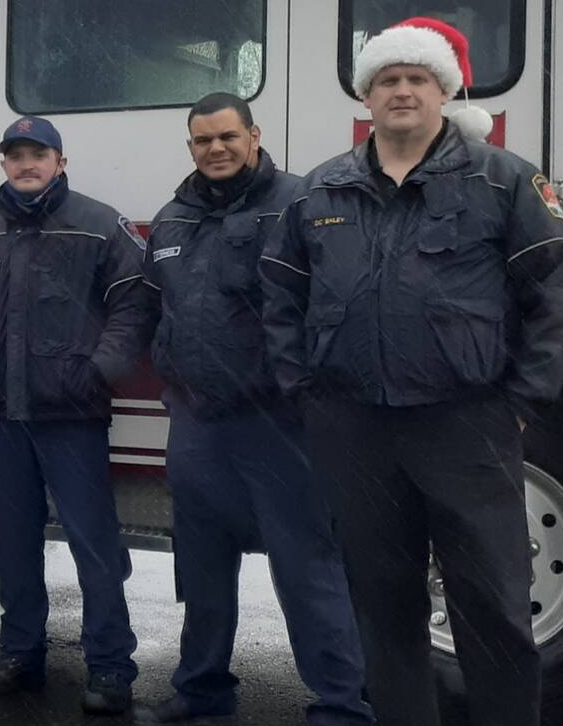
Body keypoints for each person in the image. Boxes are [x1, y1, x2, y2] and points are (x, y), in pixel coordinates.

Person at [262, 18, 563, 726]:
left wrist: (522, 400)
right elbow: (281, 296)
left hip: (466, 425)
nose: (401, 91)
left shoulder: (502, 180)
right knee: (382, 608)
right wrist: (304, 391)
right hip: (355, 430)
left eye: (416, 79)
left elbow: (556, 291)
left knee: (494, 607)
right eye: (387, 80)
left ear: (443, 92)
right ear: (366, 98)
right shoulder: (321, 191)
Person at [136, 93, 371, 725]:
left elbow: (334, 304)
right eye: (202, 140)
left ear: (254, 136)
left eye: (227, 137)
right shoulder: (172, 218)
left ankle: (343, 705)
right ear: (190, 147)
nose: (215, 149)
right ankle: (202, 691)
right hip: (196, 424)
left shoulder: (300, 206)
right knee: (202, 567)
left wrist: (306, 393)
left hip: (279, 425)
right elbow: (157, 309)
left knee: (305, 567)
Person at [0, 116, 151, 713]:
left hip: (72, 417)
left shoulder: (98, 225)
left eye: (39, 154)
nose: (26, 164)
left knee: (94, 545)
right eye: (15, 155)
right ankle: (20, 654)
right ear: (4, 164)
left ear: (60, 161)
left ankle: (111, 666)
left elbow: (133, 305)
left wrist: (98, 370)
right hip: (0, 416)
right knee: (11, 544)